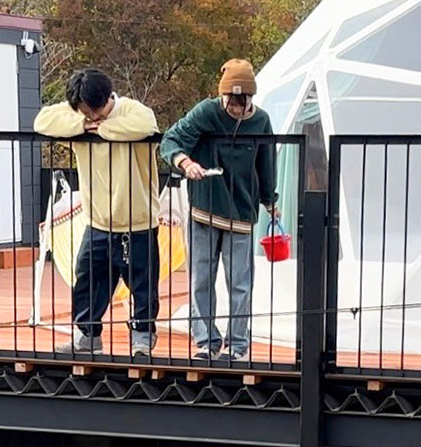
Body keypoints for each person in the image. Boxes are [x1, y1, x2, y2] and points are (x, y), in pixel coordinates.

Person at [34, 68, 162, 355]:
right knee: (88, 281)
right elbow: (43, 120)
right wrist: (82, 125)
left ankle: (142, 336)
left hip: (138, 222)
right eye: (85, 113)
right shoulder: (79, 120)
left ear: (108, 98)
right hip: (97, 222)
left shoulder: (132, 110)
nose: (92, 118)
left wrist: (101, 130)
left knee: (142, 284)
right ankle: (86, 336)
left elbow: (145, 125)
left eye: (95, 111)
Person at [159, 59, 278, 362]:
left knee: (240, 282)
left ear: (252, 98)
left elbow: (266, 163)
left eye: (243, 102)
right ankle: (206, 342)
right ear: (222, 96)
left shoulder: (261, 121)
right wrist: (186, 163)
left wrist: (270, 199)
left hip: (241, 212)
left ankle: (237, 345)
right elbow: (171, 140)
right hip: (204, 209)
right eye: (232, 102)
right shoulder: (206, 112)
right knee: (201, 277)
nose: (237, 108)